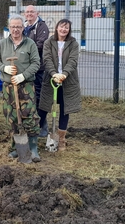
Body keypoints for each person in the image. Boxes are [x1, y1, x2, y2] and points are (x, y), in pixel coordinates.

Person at [0, 14, 41, 162]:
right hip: (8, 87)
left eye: (18, 27)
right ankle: (16, 147)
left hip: (26, 86)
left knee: (30, 116)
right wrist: (5, 69)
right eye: (13, 26)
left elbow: (36, 63)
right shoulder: (2, 43)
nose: (15, 29)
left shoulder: (30, 44)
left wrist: (23, 76)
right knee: (12, 116)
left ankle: (33, 148)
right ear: (9, 27)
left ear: (23, 27)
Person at [39, 18, 82, 151]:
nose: (64, 29)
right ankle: (37, 134)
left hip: (67, 81)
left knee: (65, 109)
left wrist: (64, 74)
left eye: (66, 28)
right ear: (57, 28)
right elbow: (46, 59)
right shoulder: (48, 42)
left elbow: (73, 61)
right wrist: (54, 74)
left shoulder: (73, 44)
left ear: (69, 30)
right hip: (50, 80)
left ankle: (61, 139)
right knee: (43, 107)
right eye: (62, 27)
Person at [23, 5, 50, 137]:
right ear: (24, 14)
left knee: (39, 97)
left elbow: (40, 44)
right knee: (28, 97)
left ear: (37, 13)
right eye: (27, 12)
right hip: (25, 69)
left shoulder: (41, 27)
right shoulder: (24, 27)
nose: (29, 14)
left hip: (39, 69)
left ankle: (42, 125)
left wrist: (25, 53)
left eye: (32, 12)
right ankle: (30, 123)